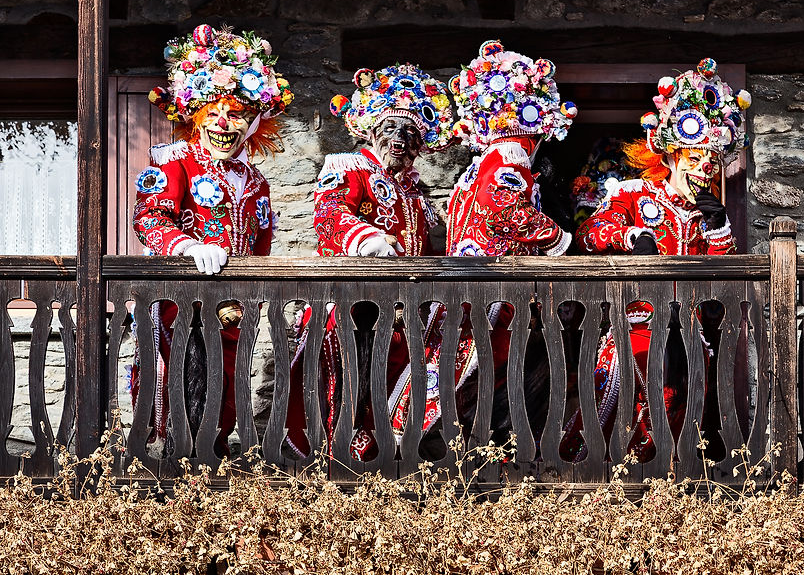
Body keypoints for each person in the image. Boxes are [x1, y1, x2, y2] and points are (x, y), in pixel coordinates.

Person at [567, 58, 752, 462]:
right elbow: (588, 234)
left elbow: (722, 284)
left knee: (679, 418)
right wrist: (632, 236)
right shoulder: (633, 193)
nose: (703, 169)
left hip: (689, 335)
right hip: (635, 327)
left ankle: (664, 483)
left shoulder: (708, 215)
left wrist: (718, 228)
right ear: (669, 157)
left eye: (711, 163)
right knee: (618, 409)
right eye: (693, 158)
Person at [132, 24, 293, 456]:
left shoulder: (257, 181)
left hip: (235, 310)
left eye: (236, 114)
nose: (224, 124)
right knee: (185, 387)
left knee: (227, 392)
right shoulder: (176, 161)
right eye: (213, 113)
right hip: (181, 303)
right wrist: (188, 247)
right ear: (195, 116)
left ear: (254, 122)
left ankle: (211, 464)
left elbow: (261, 244)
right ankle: (177, 467)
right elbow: (148, 216)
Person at [290, 64, 461, 459]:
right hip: (353, 305)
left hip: (401, 313)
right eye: (391, 128)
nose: (400, 139)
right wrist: (367, 239)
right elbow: (329, 215)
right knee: (348, 388)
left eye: (411, 133)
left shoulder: (415, 194)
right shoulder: (349, 168)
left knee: (387, 392)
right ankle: (338, 468)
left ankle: (382, 469)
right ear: (370, 130)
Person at [444, 39, 577, 443]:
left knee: (479, 379)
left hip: (475, 292)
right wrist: (556, 239)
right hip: (493, 295)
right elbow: (500, 206)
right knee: (490, 375)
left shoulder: (484, 162)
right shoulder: (510, 156)